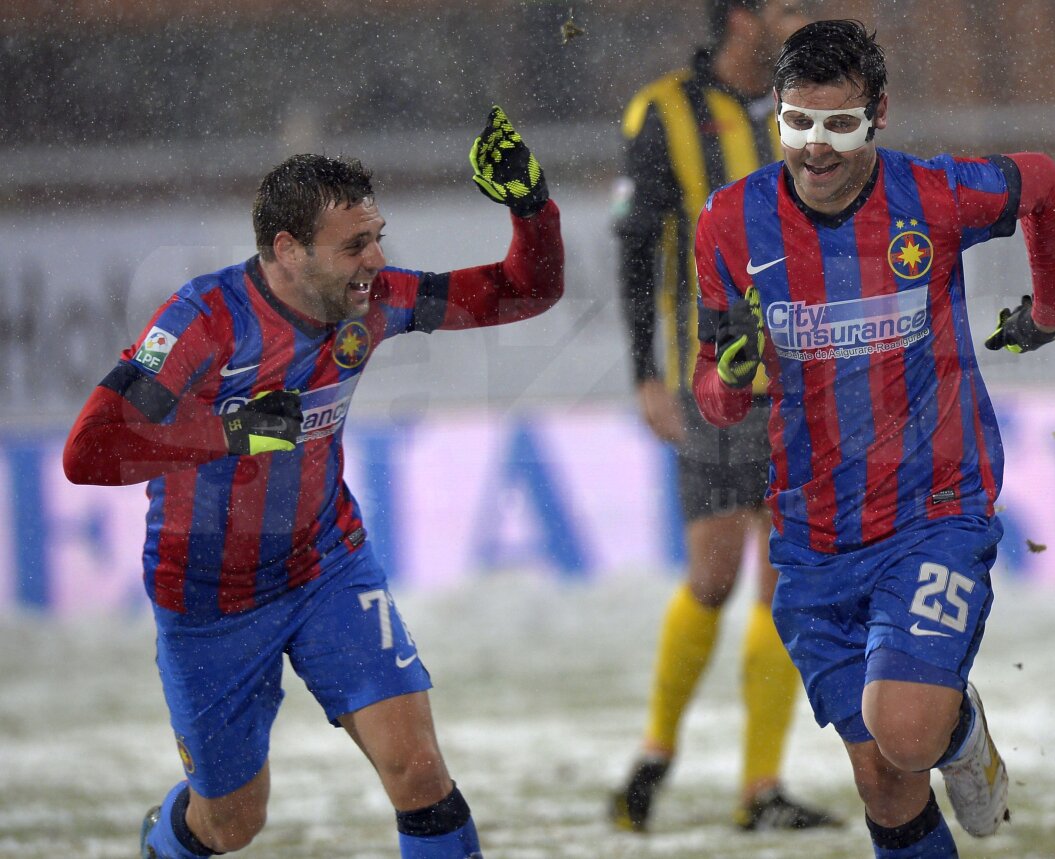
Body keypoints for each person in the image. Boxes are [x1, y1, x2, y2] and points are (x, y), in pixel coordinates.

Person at [62, 106, 563, 859]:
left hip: (326, 564)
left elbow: (526, 291)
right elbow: (87, 452)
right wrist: (232, 431)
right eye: (355, 245)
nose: (376, 258)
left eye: (377, 236)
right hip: (208, 598)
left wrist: (531, 207)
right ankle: (166, 840)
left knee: (419, 771)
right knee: (231, 824)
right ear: (288, 251)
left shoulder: (377, 300)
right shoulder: (204, 321)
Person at [692, 19, 1055, 857]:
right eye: (798, 122)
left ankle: (956, 728)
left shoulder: (932, 197)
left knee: (904, 730)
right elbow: (712, 396)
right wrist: (733, 378)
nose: (815, 147)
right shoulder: (729, 222)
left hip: (934, 512)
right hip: (813, 538)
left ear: (880, 115)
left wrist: (1050, 309)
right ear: (776, 114)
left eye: (840, 124)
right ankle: (943, 728)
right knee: (885, 783)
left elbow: (1040, 183)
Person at [609, 0, 841, 834]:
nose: (804, 17)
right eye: (787, 6)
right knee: (712, 574)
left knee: (786, 573)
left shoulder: (813, 105)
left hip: (807, 377)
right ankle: (656, 752)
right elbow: (636, 248)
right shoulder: (664, 112)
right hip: (713, 376)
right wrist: (645, 373)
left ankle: (761, 785)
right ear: (743, 18)